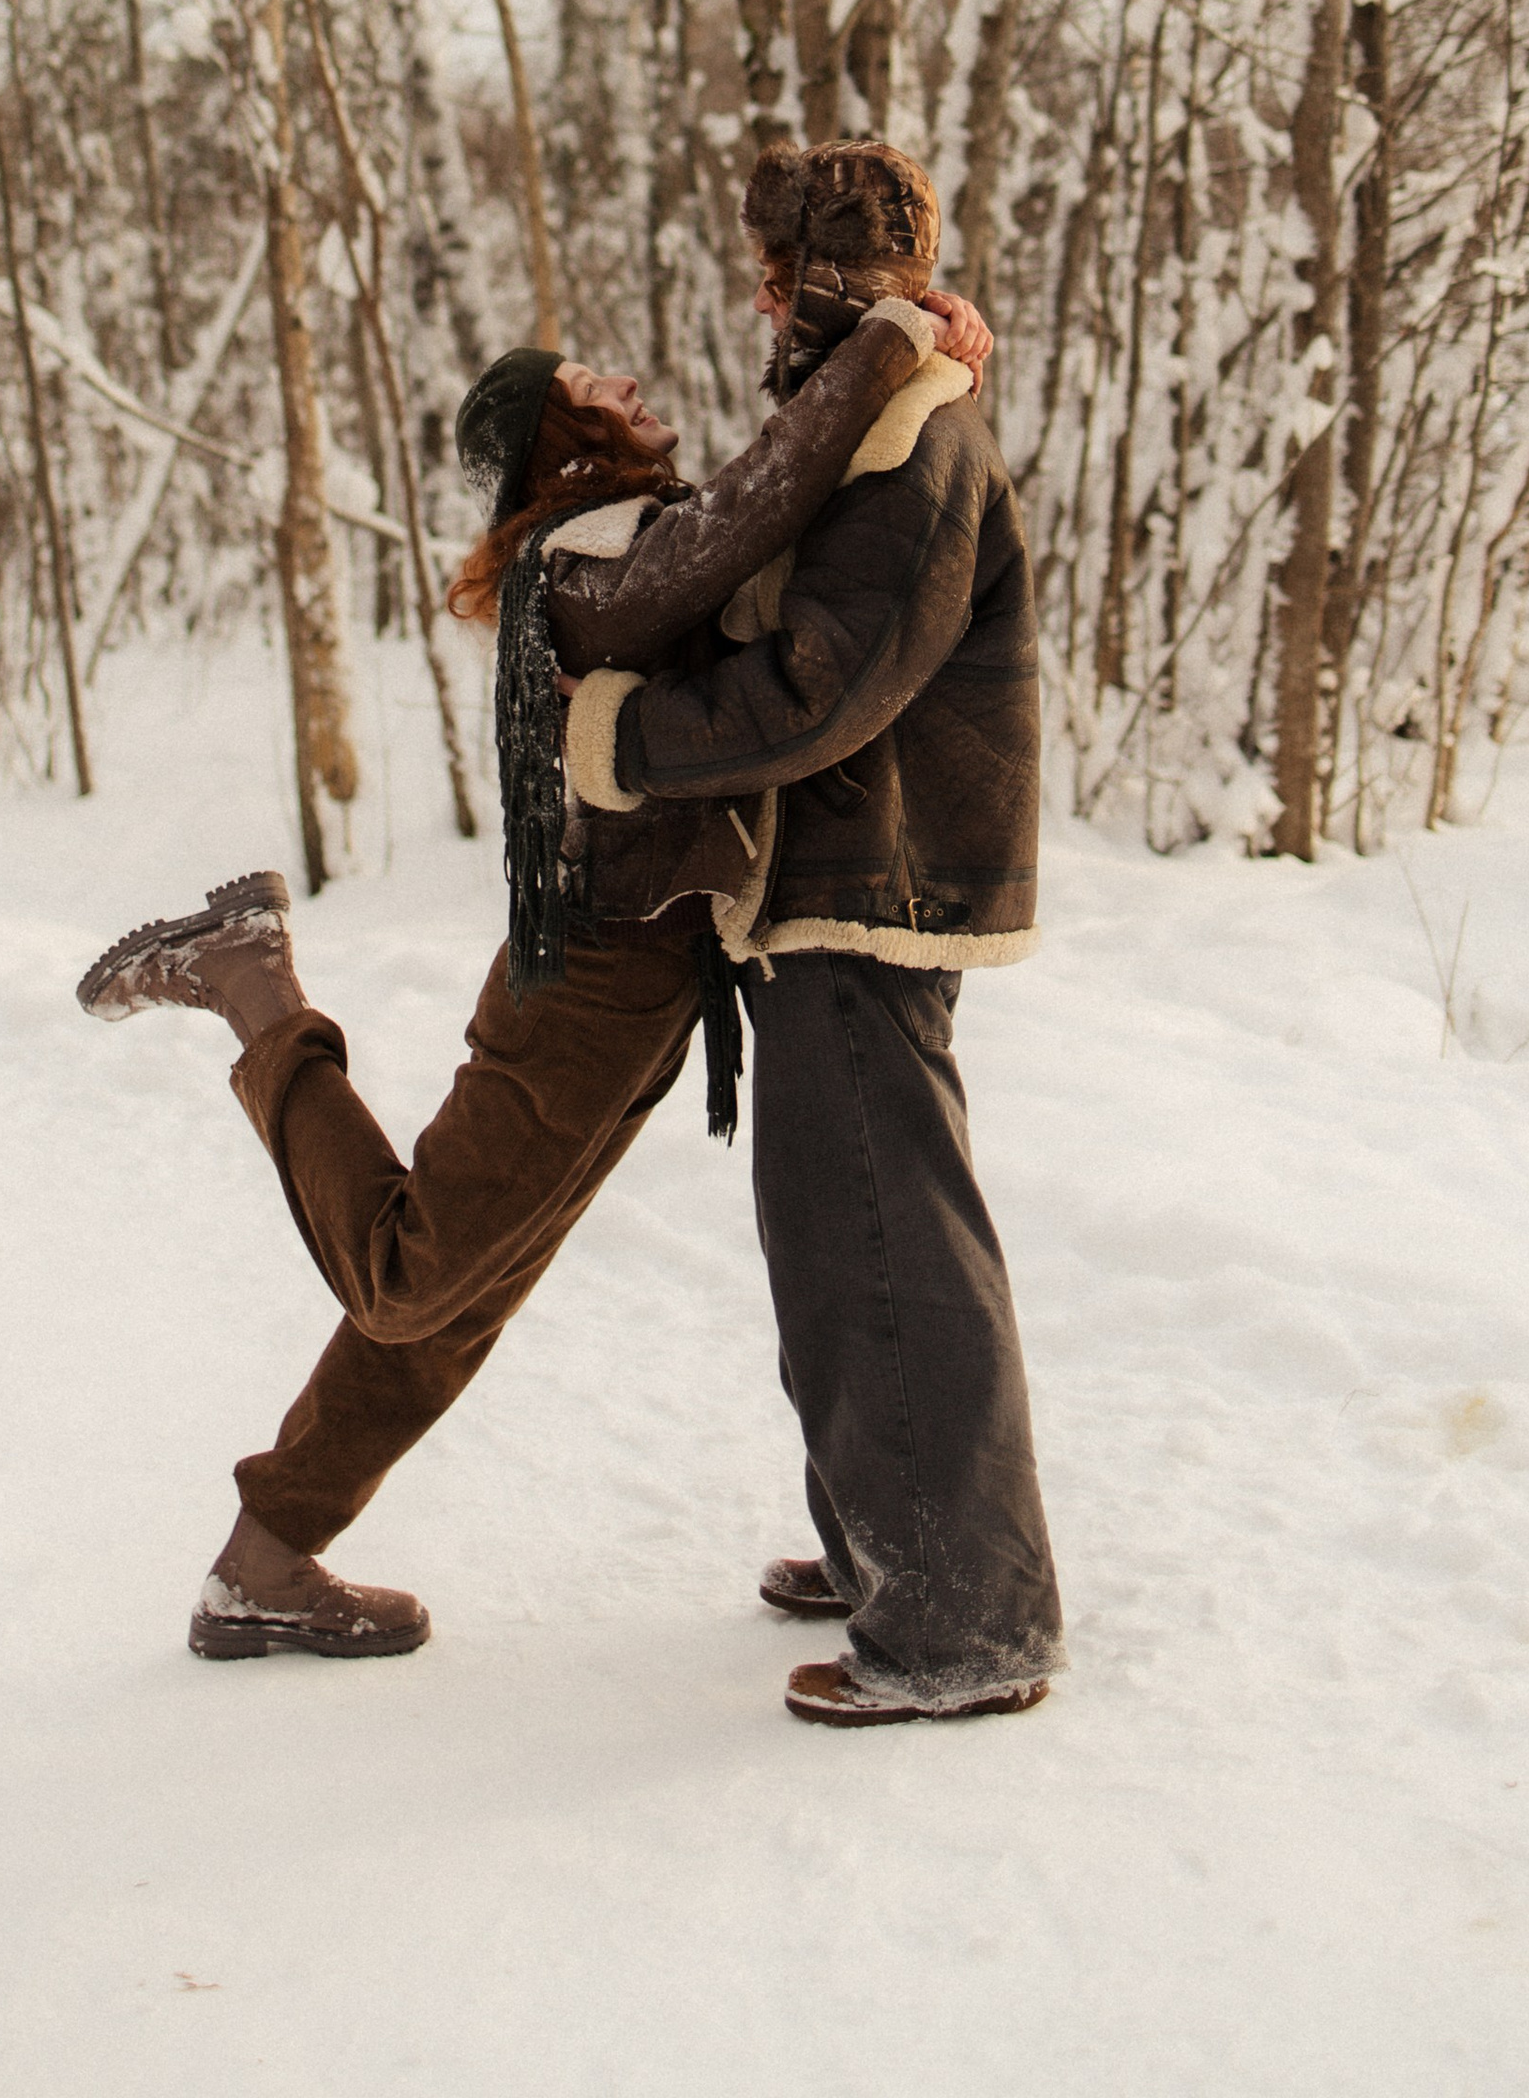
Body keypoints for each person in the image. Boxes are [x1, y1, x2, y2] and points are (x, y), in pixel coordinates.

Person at [72, 284, 983, 1667]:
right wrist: (887, 346)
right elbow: (748, 514)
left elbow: (756, 513)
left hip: (625, 985)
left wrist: (902, 359)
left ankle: (265, 1562)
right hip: (595, 987)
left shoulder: (613, 542)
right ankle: (253, 985)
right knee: (409, 1281)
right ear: (564, 450)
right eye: (599, 393)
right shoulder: (589, 553)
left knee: (460, 1299)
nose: (633, 390)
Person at [562, 137, 1065, 1728]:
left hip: (877, 890)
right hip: (835, 889)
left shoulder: (909, 434)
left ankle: (964, 1621)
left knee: (888, 1245)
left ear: (805, 282)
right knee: (834, 1240)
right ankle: (886, 1548)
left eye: (770, 272)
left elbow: (827, 686)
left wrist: (626, 741)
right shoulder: (853, 419)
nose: (756, 297)